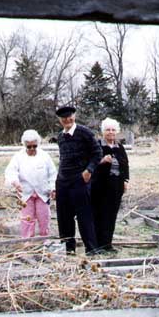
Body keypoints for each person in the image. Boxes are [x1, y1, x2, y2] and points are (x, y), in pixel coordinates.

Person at [55, 106, 102, 255]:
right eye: (64, 118)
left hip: (79, 179)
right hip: (63, 181)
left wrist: (89, 170)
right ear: (60, 120)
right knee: (64, 217)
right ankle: (68, 248)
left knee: (84, 215)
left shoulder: (84, 132)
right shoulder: (60, 136)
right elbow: (63, 159)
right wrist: (57, 181)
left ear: (74, 116)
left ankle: (91, 249)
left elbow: (97, 152)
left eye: (70, 117)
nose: (67, 120)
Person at [5, 129, 57, 238]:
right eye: (29, 147)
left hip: (42, 193)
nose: (32, 149)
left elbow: (53, 174)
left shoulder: (45, 156)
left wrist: (53, 188)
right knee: (27, 219)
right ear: (24, 145)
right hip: (26, 193)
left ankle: (44, 240)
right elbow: (10, 172)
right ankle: (27, 242)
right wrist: (15, 182)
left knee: (44, 217)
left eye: (34, 146)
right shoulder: (18, 157)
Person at [91, 117, 129, 252]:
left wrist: (125, 180)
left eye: (113, 130)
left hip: (116, 185)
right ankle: (97, 244)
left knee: (111, 215)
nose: (111, 132)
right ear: (103, 131)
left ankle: (107, 244)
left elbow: (125, 165)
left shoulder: (120, 147)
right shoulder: (97, 145)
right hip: (100, 185)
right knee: (99, 214)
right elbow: (89, 164)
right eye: (108, 130)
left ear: (117, 131)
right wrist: (101, 161)